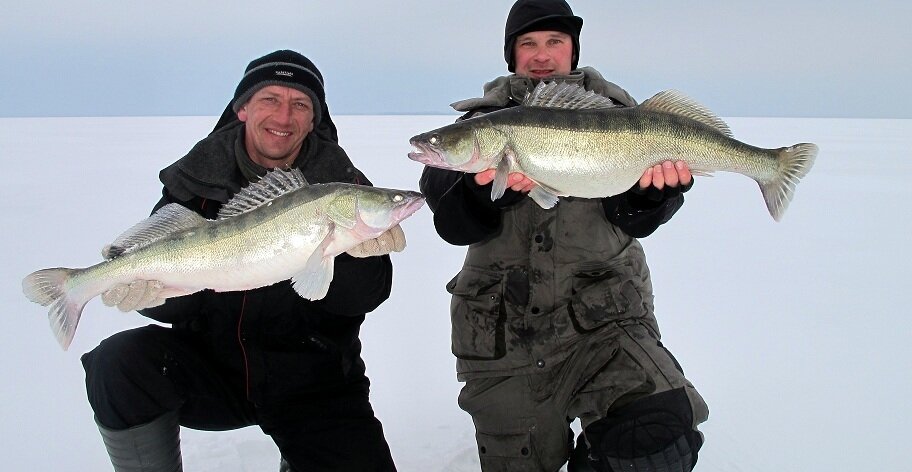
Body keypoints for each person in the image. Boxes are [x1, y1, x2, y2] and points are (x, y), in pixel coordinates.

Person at [418, 1, 709, 471]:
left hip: (605, 324)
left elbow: (635, 221)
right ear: (511, 53)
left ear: (573, 50)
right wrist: (486, 193)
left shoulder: (619, 117)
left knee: (655, 445)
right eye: (527, 43)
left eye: (555, 41)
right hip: (502, 337)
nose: (541, 54)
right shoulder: (477, 127)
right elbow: (450, 222)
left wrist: (651, 198)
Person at [81, 50, 401, 472]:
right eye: (270, 99)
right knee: (119, 361)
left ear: (314, 119)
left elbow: (368, 295)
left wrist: (358, 254)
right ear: (243, 107)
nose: (284, 117)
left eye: (300, 104)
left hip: (314, 381)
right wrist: (150, 291)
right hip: (215, 368)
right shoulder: (195, 179)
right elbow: (179, 302)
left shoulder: (341, 187)